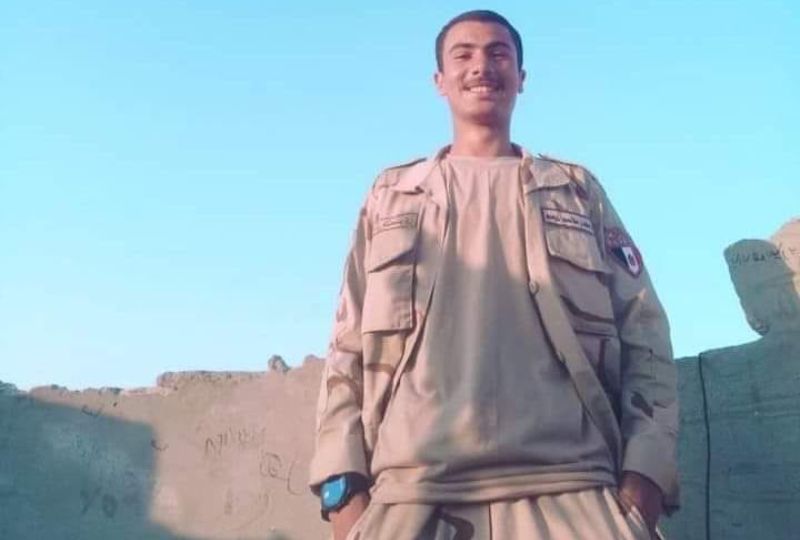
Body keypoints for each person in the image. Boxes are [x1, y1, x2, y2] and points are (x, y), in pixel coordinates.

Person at [309, 10, 679, 540]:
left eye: (498, 53)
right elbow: (346, 344)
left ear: (521, 77)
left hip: (573, 490)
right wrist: (342, 491)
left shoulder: (574, 190)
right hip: (412, 496)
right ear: (439, 81)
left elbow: (644, 331)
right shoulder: (392, 197)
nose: (481, 66)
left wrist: (646, 479)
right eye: (463, 54)